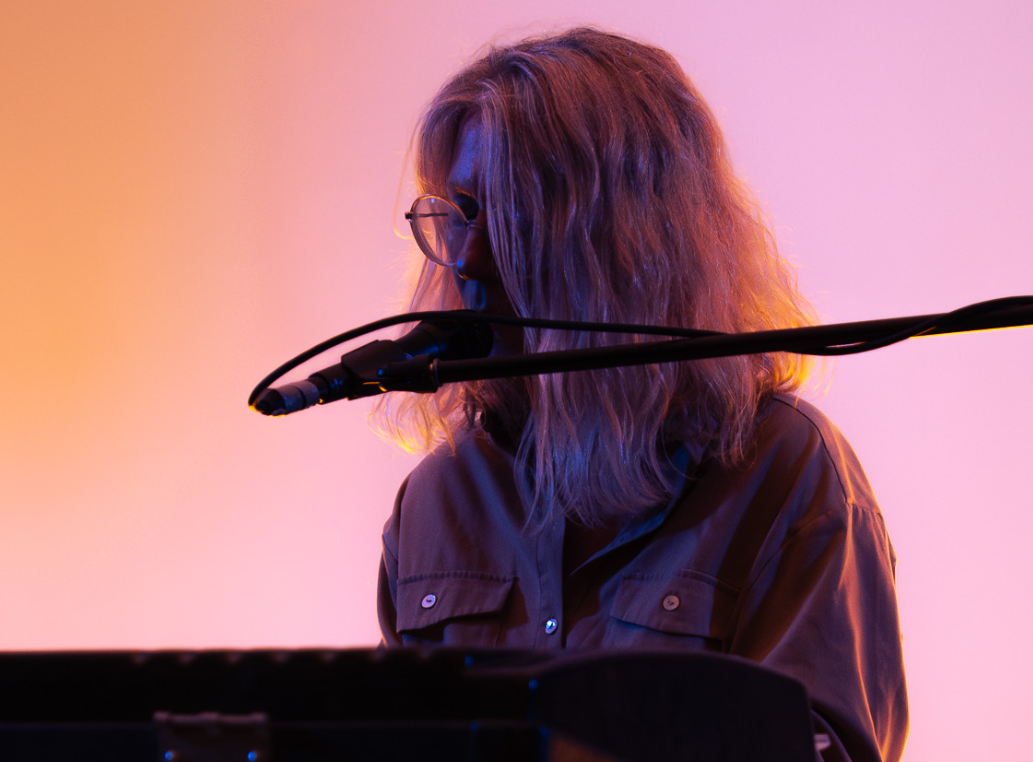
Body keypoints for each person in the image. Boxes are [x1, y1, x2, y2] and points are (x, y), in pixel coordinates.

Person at [374, 27, 908, 762]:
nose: (466, 258)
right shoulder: (436, 498)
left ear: (626, 240)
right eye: (459, 212)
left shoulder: (787, 471)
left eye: (511, 216)